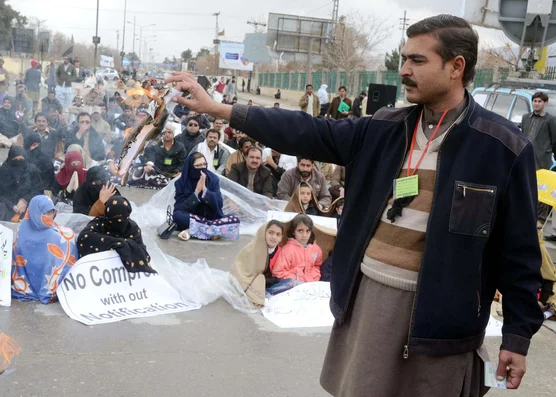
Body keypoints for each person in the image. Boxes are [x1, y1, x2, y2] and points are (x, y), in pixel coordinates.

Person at [166, 13, 544, 395]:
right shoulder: (384, 128)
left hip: (443, 323)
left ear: (456, 67)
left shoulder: (503, 148)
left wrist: (517, 335)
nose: (404, 70)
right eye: (403, 59)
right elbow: (306, 130)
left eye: (418, 60)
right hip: (369, 303)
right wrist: (221, 110)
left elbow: (520, 253)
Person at [11, 195, 78, 304]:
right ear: (35, 212)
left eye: (52, 212)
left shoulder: (55, 234)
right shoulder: (21, 232)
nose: (50, 216)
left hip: (29, 284)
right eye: (46, 213)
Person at [78, 196, 155, 273]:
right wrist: (118, 243)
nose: (119, 221)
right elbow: (84, 238)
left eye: (123, 217)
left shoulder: (132, 228)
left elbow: (143, 254)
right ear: (107, 215)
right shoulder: (99, 224)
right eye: (115, 217)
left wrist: (125, 245)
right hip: (99, 271)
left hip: (120, 274)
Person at [173, 153, 240, 241]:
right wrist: (196, 193)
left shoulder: (213, 179)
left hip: (211, 217)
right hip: (192, 217)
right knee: (177, 216)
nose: (202, 168)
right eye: (198, 165)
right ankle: (214, 230)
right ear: (190, 167)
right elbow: (179, 207)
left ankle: (192, 230)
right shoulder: (181, 183)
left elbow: (219, 204)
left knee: (235, 220)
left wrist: (205, 191)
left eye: (204, 164)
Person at [520, 92, 556, 225]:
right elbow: (522, 136)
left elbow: (554, 140)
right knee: (526, 185)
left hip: (542, 158)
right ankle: (526, 213)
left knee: (541, 187)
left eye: (540, 101)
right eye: (535, 101)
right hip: (526, 157)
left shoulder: (550, 119)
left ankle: (540, 218)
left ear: (545, 103)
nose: (537, 103)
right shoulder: (526, 117)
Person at [230, 220, 285, 306]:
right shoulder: (252, 248)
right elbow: (242, 270)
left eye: (278, 234)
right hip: (253, 281)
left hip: (271, 282)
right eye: (271, 233)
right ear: (264, 232)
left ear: (281, 237)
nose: (274, 237)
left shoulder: (282, 252)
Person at [0, 146, 44, 222]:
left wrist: (25, 200)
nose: (18, 163)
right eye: (15, 160)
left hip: (29, 206)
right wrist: (11, 205)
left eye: (21, 160)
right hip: (7, 209)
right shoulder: (3, 171)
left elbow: (38, 190)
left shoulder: (31, 170)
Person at [127, 123, 186, 189]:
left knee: (179, 178)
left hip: (172, 172)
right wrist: (149, 164)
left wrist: (177, 171)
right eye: (164, 132)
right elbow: (151, 155)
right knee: (140, 170)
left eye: (169, 132)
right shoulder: (155, 143)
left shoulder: (180, 147)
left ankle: (161, 182)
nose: (166, 134)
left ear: (173, 134)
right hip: (156, 170)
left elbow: (182, 162)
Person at [273, 214, 322, 282]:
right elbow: (278, 272)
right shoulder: (288, 250)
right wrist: (297, 279)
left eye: (308, 231)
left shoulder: (316, 248)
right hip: (294, 285)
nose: (304, 235)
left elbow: (317, 265)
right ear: (293, 231)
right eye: (300, 231)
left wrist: (315, 276)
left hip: (312, 284)